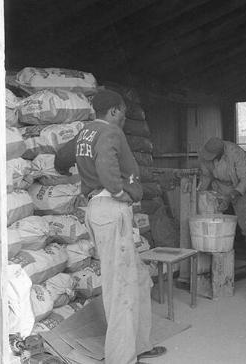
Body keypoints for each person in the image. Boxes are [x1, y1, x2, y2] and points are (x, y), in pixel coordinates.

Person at [74, 90, 166, 364]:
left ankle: (139, 345)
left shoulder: (85, 132)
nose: (125, 118)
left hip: (99, 210)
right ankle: (122, 357)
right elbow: (105, 165)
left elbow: (62, 157)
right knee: (121, 286)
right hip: (111, 209)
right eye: (123, 113)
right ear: (114, 111)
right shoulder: (111, 132)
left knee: (137, 278)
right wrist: (118, 191)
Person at [197, 137, 246, 274]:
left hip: (237, 188)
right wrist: (200, 195)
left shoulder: (236, 153)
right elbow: (206, 177)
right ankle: (217, 263)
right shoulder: (205, 153)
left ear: (221, 152)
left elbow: (245, 180)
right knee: (215, 220)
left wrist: (230, 197)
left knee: (245, 224)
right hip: (218, 186)